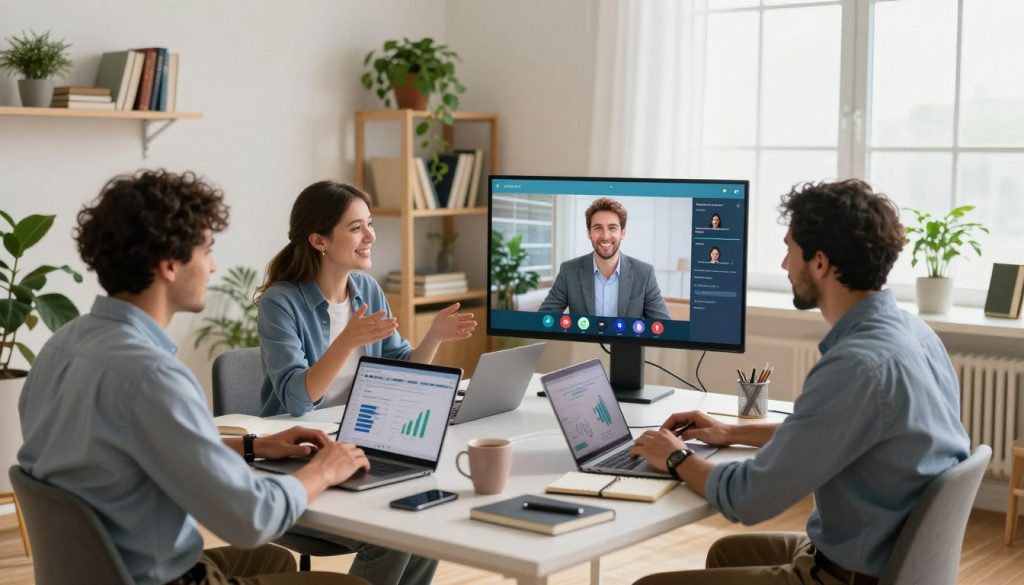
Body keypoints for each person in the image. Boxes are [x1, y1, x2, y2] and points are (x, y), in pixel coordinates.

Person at [18, 170, 369, 585]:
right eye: (206, 250)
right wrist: (323, 470)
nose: (213, 265)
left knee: (268, 560)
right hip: (160, 578)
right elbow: (252, 519)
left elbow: (132, 447)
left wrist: (254, 445)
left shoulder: (60, 347)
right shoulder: (152, 377)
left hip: (95, 570)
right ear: (169, 265)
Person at [628, 179, 970, 585]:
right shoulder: (914, 333)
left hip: (848, 577)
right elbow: (828, 432)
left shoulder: (857, 366)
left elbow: (747, 498)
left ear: (820, 263)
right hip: (887, 556)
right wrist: (730, 432)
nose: (784, 264)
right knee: (725, 552)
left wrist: (675, 457)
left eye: (789, 250)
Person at [255, 180, 476, 585]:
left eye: (369, 224)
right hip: (301, 461)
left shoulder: (367, 290)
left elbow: (402, 371)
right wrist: (346, 341)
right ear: (319, 240)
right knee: (393, 533)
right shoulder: (280, 303)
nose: (371, 236)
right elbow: (297, 400)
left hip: (362, 444)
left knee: (427, 514)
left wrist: (433, 338)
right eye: (356, 228)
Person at [538, 197, 670, 319]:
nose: (605, 236)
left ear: (623, 233)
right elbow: (543, 319)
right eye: (598, 228)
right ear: (589, 233)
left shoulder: (644, 274)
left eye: (612, 228)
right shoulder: (569, 271)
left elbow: (664, 326)